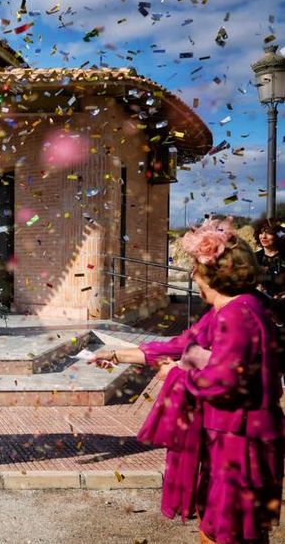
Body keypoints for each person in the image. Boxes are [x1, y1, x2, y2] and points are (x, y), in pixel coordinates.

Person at [92, 217, 282, 544]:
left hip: (241, 439)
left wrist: (179, 373)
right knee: (219, 525)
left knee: (230, 530)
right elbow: (181, 345)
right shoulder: (227, 310)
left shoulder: (239, 314)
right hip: (228, 435)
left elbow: (224, 380)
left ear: (211, 273)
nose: (193, 276)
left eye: (195, 269)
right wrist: (118, 354)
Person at [254, 217, 284, 324]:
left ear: (277, 235)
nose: (264, 236)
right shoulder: (254, 258)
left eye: (268, 233)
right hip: (259, 309)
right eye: (261, 233)